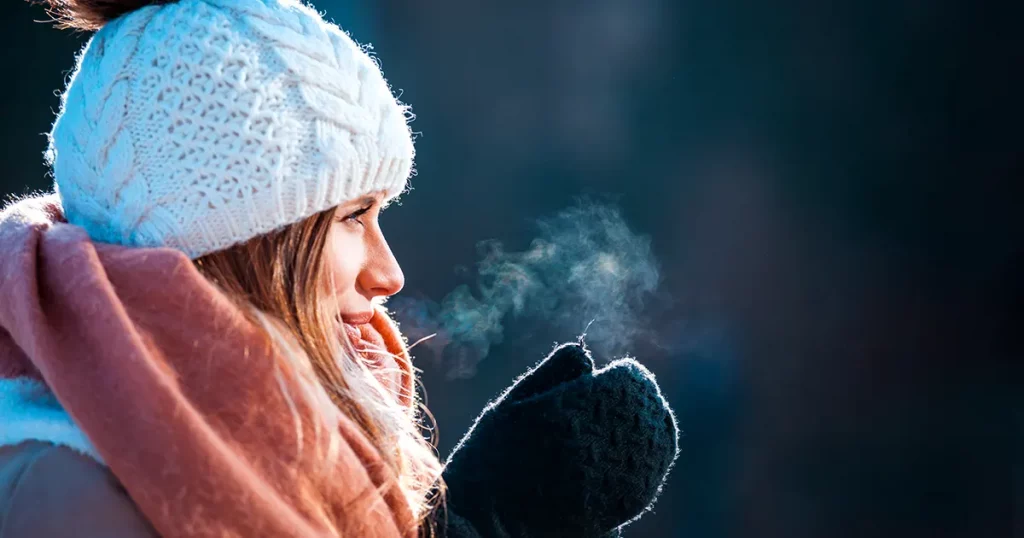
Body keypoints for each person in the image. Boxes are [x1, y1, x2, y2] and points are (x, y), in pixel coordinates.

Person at [0, 0, 679, 536]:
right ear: (240, 240)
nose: (390, 273)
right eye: (354, 217)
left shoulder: (259, 457)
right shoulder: (70, 495)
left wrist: (469, 516)